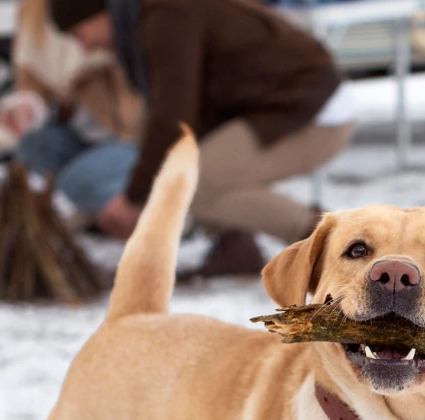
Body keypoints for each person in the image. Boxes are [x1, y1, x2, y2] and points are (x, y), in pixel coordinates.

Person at [48, 0, 353, 275]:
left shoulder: (166, 14)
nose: (84, 47)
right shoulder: (146, 17)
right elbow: (166, 116)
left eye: (78, 33)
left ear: (96, 12)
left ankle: (329, 244)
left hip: (311, 113)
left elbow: (173, 117)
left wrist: (136, 198)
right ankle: (234, 245)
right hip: (274, 111)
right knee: (179, 167)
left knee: (188, 184)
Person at [0, 0, 142, 229]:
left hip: (132, 137)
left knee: (77, 180)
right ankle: (103, 204)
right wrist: (26, 111)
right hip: (82, 134)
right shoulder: (32, 14)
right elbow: (32, 86)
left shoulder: (116, 13)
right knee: (32, 146)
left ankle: (142, 211)